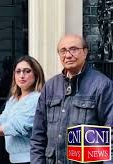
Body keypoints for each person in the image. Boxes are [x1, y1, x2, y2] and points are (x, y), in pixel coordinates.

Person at [30, 34, 113, 163]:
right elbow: (38, 137)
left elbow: (110, 134)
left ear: (85, 52)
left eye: (73, 49)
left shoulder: (102, 85)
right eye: (63, 51)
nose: (68, 55)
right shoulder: (51, 86)